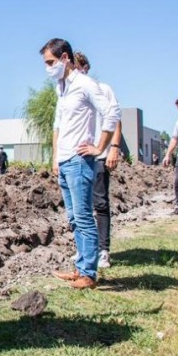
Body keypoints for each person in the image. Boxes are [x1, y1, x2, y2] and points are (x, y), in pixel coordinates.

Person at [42, 39, 120, 289]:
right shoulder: (61, 87)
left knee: (85, 217)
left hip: (79, 161)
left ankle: (89, 273)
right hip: (64, 161)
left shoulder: (85, 84)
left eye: (50, 62)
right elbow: (58, 124)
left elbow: (112, 112)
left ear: (65, 58)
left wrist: (100, 146)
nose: (48, 68)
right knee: (74, 218)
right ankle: (81, 267)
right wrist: (55, 157)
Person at [72, 52, 123, 269]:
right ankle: (84, 249)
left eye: (76, 67)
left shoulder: (103, 89)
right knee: (80, 207)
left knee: (100, 204)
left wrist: (114, 148)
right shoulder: (68, 93)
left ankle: (103, 251)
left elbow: (115, 120)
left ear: (84, 67)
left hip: (99, 155)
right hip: (78, 157)